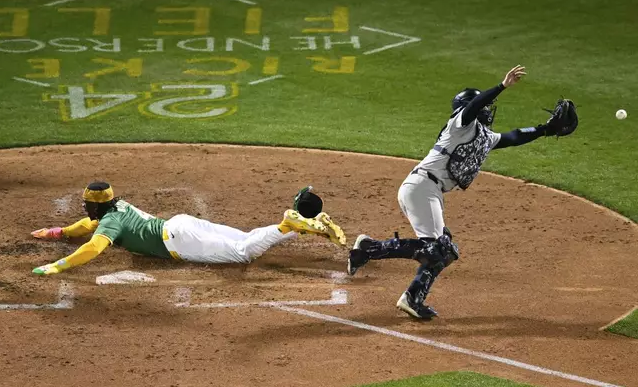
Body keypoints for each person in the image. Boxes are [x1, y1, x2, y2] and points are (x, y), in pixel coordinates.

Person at [347, 65, 576, 319]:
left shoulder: (484, 136)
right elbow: (475, 106)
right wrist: (502, 86)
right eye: (485, 107)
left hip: (431, 192)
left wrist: (544, 128)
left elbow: (513, 137)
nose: (488, 111)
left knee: (443, 250)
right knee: (436, 249)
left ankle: (385, 266)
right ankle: (388, 272)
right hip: (420, 187)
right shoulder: (459, 124)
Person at [31, 182, 346, 275]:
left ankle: (287, 224)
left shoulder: (110, 221)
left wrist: (58, 265)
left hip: (179, 241)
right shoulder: (117, 208)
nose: (87, 209)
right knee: (246, 240)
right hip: (180, 224)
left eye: (89, 204)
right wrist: (56, 233)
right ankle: (299, 227)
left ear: (96, 205)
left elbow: (93, 247)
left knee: (243, 253)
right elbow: (84, 227)